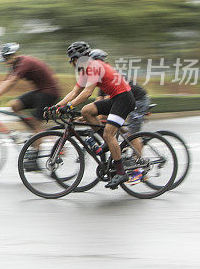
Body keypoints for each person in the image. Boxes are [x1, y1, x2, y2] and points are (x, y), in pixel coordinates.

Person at [53, 41, 138, 189]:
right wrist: (57, 107)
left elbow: (87, 92)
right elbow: (75, 92)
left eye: (72, 60)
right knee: (87, 111)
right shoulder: (85, 70)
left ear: (77, 58)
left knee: (109, 134)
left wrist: (70, 106)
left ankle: (121, 172)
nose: (72, 64)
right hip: (115, 98)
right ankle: (106, 143)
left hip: (124, 99)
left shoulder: (93, 66)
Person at [0, 43, 60, 170]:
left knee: (37, 124)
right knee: (14, 105)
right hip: (40, 91)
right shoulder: (16, 66)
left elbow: (10, 82)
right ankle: (34, 131)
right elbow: (4, 82)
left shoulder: (24, 63)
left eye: (9, 57)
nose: (7, 61)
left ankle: (35, 156)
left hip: (49, 92)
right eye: (5, 58)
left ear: (14, 55)